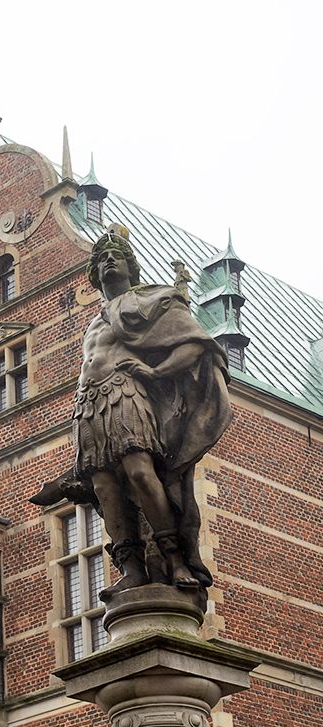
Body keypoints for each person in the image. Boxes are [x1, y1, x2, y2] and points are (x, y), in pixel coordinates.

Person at [32, 229, 232, 597]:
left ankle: (174, 559)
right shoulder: (95, 322)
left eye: (116, 255)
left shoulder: (152, 301)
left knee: (140, 472)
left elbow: (195, 345)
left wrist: (157, 372)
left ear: (131, 266)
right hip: (89, 405)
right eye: (101, 257)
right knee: (104, 485)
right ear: (94, 274)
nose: (108, 260)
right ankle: (132, 569)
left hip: (125, 394)